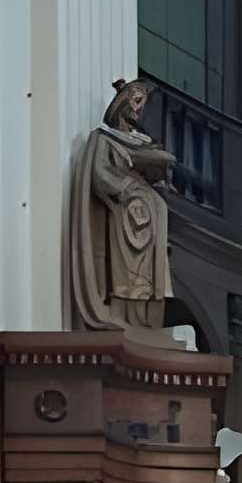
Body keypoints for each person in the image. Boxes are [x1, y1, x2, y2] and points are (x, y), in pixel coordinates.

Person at [63, 78, 176, 337]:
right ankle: (124, 313)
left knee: (158, 205)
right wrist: (127, 188)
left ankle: (147, 317)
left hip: (145, 215)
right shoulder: (104, 140)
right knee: (129, 272)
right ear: (122, 105)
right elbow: (100, 173)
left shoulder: (139, 141)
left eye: (141, 105)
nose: (137, 111)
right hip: (124, 213)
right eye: (135, 103)